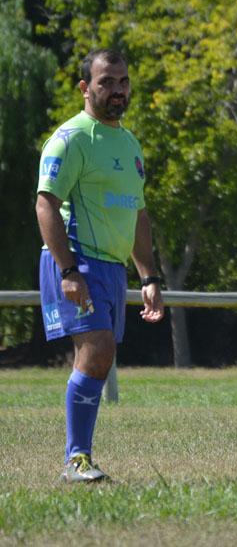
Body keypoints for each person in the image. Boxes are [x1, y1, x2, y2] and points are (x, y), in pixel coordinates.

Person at [36, 49, 165, 482]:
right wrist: (68, 270)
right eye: (107, 81)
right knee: (97, 350)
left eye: (123, 81)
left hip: (113, 268)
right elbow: (45, 204)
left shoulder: (129, 143)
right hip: (77, 259)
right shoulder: (71, 138)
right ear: (85, 87)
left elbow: (138, 215)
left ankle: (80, 457)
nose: (117, 90)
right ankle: (76, 461)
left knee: (101, 358)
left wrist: (148, 276)